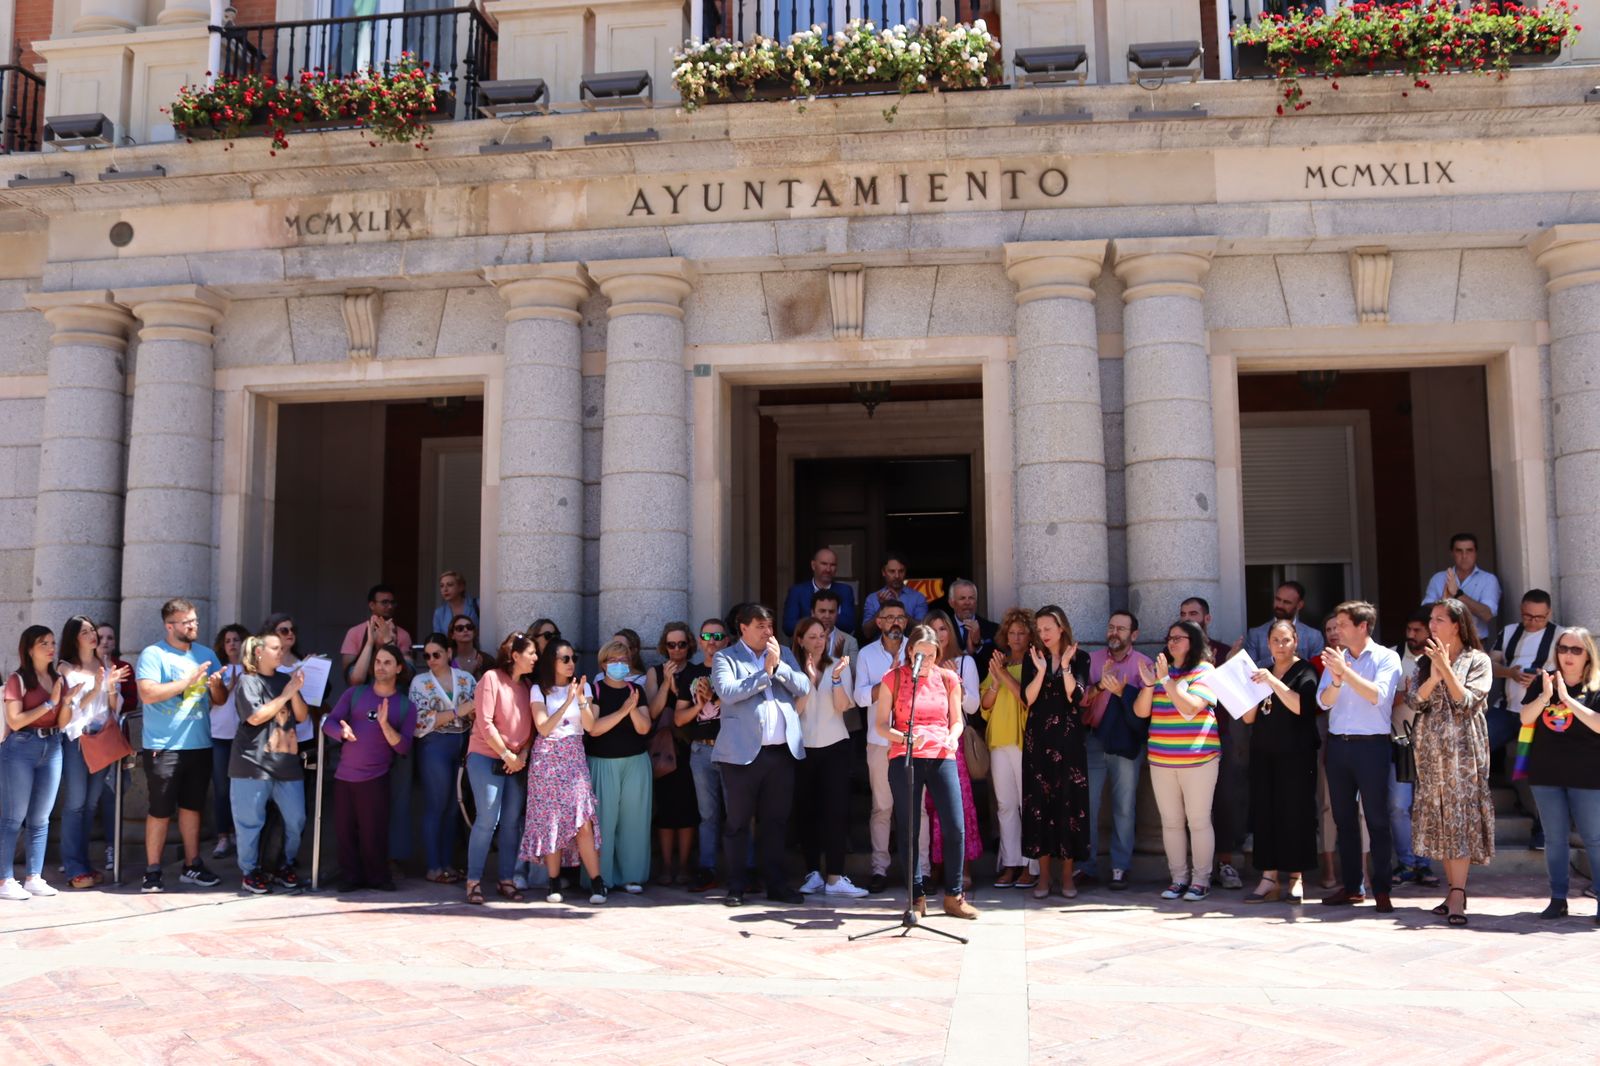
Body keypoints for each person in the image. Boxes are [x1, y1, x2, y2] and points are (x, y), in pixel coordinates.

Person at [875, 624, 977, 920]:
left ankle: (954, 895)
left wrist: (953, 737)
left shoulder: (948, 679)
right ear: (910, 652)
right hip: (906, 756)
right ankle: (916, 897)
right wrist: (903, 738)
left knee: (955, 826)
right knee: (909, 828)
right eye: (921, 654)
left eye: (932, 655)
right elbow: (881, 724)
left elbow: (956, 720)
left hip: (941, 754)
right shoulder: (893, 679)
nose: (927, 660)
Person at [712, 603, 811, 907]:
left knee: (776, 822)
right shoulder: (725, 657)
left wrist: (779, 666)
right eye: (760, 626)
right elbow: (728, 692)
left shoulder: (781, 652)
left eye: (770, 626)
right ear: (743, 628)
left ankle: (776, 884)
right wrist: (764, 674)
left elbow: (804, 685)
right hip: (741, 756)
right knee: (738, 822)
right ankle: (736, 886)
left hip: (781, 754)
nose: (768, 633)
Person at [1408, 598, 1494, 926]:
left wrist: (1447, 670)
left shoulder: (1478, 660)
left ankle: (1458, 893)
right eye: (1431, 619)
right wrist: (1434, 672)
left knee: (1459, 815)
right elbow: (1417, 701)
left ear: (1457, 624)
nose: (1432, 625)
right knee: (1443, 818)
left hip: (1463, 750)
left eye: (1439, 619)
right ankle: (1452, 890)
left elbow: (1466, 702)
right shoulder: (1424, 659)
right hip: (1431, 749)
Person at [136, 599, 227, 893]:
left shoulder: (206, 654)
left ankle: (192, 864)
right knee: (160, 809)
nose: (193, 626)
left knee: (192, 807)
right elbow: (148, 694)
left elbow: (220, 699)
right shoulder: (154, 654)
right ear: (170, 625)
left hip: (199, 744)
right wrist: (186, 682)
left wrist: (214, 685)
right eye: (187, 622)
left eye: (195, 621)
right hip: (164, 746)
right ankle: (152, 871)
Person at [1317, 600, 1403, 912]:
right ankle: (1352, 886)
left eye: (1342, 624)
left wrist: (1344, 673)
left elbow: (1378, 695)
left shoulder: (1386, 657)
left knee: (1377, 820)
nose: (1336, 631)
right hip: (1339, 745)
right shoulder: (1335, 660)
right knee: (1343, 820)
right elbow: (1324, 702)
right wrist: (1337, 678)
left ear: (1362, 626)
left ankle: (1382, 888)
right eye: (1336, 625)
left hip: (1372, 746)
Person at [1134, 620, 1222, 903]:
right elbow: (1140, 711)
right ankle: (1178, 878)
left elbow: (1191, 707)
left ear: (1193, 641)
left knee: (1198, 821)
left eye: (1179, 638)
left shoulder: (1205, 670)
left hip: (1199, 759)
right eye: (1169, 637)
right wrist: (1150, 684)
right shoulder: (1161, 673)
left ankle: (1201, 880)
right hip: (1161, 758)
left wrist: (1167, 682)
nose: (1172, 643)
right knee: (1170, 823)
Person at [1520, 627, 1600, 922]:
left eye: (1575, 650)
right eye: (1563, 649)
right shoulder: (1545, 682)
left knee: (1594, 839)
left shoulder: (1596, 687)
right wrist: (1546, 696)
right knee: (1555, 839)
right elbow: (1526, 718)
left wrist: (1568, 700)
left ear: (1588, 655)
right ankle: (1558, 898)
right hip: (1547, 773)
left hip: (1590, 776)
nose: (1567, 655)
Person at [323, 643, 415, 892]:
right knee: (345, 831)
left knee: (373, 831)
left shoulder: (406, 705)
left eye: (387, 662)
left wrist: (385, 726)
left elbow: (404, 747)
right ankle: (350, 877)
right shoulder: (355, 694)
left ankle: (378, 877)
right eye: (377, 661)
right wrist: (341, 731)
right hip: (344, 776)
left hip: (376, 777)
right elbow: (328, 722)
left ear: (398, 668)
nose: (380, 667)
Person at [1241, 620, 1320, 903]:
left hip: (1297, 756)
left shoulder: (1305, 670)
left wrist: (1273, 682)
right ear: (1268, 643)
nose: (1280, 645)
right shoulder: (1262, 671)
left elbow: (1302, 707)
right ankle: (1268, 877)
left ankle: (1296, 878)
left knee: (1295, 813)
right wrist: (1251, 693)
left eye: (1286, 640)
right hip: (1263, 753)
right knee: (1264, 813)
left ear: (1296, 641)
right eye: (1275, 640)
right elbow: (1249, 717)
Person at [523, 639, 607, 905]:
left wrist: (580, 699)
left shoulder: (585, 687)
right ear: (553, 662)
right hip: (547, 758)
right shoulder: (539, 689)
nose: (571, 664)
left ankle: (597, 883)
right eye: (565, 659)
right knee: (552, 821)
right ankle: (553, 882)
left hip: (574, 754)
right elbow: (543, 728)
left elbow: (591, 727)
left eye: (573, 658)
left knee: (584, 821)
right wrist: (566, 701)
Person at [229, 633, 310, 895]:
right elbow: (255, 718)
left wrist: (294, 688)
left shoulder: (285, 680)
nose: (282, 651)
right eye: (275, 648)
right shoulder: (248, 681)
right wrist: (286, 693)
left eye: (282, 647)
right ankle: (250, 871)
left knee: (296, 819)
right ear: (259, 653)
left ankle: (284, 865)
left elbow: (301, 715)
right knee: (250, 823)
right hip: (252, 764)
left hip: (286, 764)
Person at [1020, 605, 1091, 901]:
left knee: (1069, 806)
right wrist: (1039, 671)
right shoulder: (1032, 657)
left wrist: (1063, 668)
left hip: (1069, 741)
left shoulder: (1080, 657)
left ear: (1061, 627)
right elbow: (1028, 698)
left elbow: (1076, 696)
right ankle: (1044, 878)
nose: (1043, 634)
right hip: (1038, 742)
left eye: (1048, 628)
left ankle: (1066, 877)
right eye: (1039, 629)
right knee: (1039, 807)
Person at [792, 617, 866, 897]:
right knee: (806, 811)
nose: (817, 641)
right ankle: (812, 873)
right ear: (800, 640)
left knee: (836, 811)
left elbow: (843, 706)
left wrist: (834, 679)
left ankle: (835, 877)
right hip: (802, 748)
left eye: (821, 636)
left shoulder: (839, 664)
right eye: (811, 637)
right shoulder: (792, 668)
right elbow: (794, 711)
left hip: (835, 745)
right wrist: (809, 681)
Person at [0, 626, 73, 901]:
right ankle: (5, 878)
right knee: (12, 817)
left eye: (53, 642)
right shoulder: (16, 680)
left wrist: (65, 702)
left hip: (53, 745)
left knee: (41, 818)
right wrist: (50, 703)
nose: (51, 647)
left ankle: (34, 876)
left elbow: (63, 722)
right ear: (30, 649)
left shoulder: (57, 679)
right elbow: (16, 720)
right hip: (21, 747)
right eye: (44, 643)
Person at [1082, 610, 1152, 891]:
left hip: (1125, 745)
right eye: (1111, 627)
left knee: (1124, 807)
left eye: (1121, 629)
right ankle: (1085, 866)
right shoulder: (1093, 660)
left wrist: (1125, 693)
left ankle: (1119, 868)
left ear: (1133, 635)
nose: (1114, 633)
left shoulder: (1143, 664)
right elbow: (1080, 699)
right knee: (1088, 805)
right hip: (1093, 739)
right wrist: (1100, 687)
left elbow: (1147, 713)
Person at [463, 632, 536, 905]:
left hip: (516, 761)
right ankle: (473, 881)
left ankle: (506, 880)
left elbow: (531, 729)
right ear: (515, 656)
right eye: (531, 653)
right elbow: (484, 722)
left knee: (511, 824)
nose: (535, 658)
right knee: (487, 820)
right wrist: (506, 754)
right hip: (485, 757)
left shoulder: (528, 686)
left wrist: (522, 754)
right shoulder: (491, 679)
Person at [57, 616, 128, 889]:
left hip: (101, 739)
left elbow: (114, 705)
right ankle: (73, 866)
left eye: (93, 631)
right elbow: (69, 710)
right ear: (74, 637)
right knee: (75, 804)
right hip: (77, 740)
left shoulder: (105, 664)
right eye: (85, 632)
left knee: (90, 804)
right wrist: (96, 688)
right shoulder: (65, 668)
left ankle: (84, 864)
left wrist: (109, 688)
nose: (92, 635)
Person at [1180, 596, 1244, 890]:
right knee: (1188, 810)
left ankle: (1226, 863)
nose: (1188, 617)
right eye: (1183, 614)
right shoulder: (1173, 654)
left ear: (1207, 618)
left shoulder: (1222, 651)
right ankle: (1192, 869)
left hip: (1219, 737)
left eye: (1194, 613)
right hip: (1181, 742)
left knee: (1225, 802)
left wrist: (1229, 669)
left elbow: (1237, 703)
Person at [1488, 589, 1557, 847]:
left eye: (1539, 618)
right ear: (1520, 611)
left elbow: (1574, 671)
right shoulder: (1509, 632)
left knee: (1537, 767)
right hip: (1506, 711)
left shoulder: (1560, 636)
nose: (1533, 622)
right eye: (1528, 616)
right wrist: (1509, 672)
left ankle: (1542, 829)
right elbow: (1489, 665)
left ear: (1549, 613)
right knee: (1472, 746)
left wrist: (1543, 678)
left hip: (1539, 717)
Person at [408, 632, 476, 884]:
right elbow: (419, 721)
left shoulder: (466, 679)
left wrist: (466, 713)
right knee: (436, 805)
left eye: (436, 654)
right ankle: (433, 866)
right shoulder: (419, 682)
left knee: (453, 808)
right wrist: (459, 711)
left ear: (449, 653)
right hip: (434, 746)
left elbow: (479, 709)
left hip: (462, 744)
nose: (431, 660)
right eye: (426, 656)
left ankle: (448, 863)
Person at [588, 637, 654, 893]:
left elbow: (644, 727)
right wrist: (623, 711)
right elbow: (593, 729)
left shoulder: (637, 692)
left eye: (623, 660)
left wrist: (633, 708)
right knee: (603, 823)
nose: (618, 664)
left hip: (635, 762)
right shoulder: (594, 690)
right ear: (603, 664)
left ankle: (632, 876)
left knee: (634, 821)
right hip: (602, 764)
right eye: (613, 660)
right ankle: (600, 877)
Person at [852, 598, 909, 893]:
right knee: (882, 807)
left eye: (900, 617)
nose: (895, 622)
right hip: (879, 741)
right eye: (889, 618)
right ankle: (879, 870)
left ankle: (919, 870)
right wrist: (889, 681)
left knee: (916, 809)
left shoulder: (918, 650)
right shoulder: (865, 655)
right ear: (879, 623)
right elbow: (860, 697)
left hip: (913, 741)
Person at [923, 609, 981, 892]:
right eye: (933, 630)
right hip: (926, 740)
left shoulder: (964, 662)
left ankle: (964, 866)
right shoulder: (919, 664)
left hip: (952, 741)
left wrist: (953, 680)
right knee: (930, 806)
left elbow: (973, 707)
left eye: (943, 628)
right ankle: (935, 866)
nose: (939, 635)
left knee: (959, 806)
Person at [981, 608, 1037, 888]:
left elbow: (1027, 699)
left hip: (1025, 740)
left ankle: (1031, 866)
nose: (1015, 637)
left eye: (1021, 633)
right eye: (1011, 633)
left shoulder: (1034, 662)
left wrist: (1002, 674)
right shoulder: (997, 662)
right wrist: (994, 679)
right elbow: (985, 706)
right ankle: (1011, 863)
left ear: (1031, 636)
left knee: (1027, 804)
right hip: (999, 740)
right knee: (1005, 806)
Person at [676, 619, 730, 893]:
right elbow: (679, 718)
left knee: (737, 814)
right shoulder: (691, 674)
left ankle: (743, 869)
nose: (712, 640)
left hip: (732, 749)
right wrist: (700, 704)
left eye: (718, 635)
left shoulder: (735, 672)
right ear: (699, 640)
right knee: (707, 814)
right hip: (701, 750)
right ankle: (707, 868)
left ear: (727, 640)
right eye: (707, 635)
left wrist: (716, 698)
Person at [647, 622, 699, 886]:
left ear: (689, 644)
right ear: (664, 647)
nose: (676, 649)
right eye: (671, 645)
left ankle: (684, 866)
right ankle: (666, 867)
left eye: (681, 644)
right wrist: (667, 684)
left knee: (688, 810)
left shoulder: (696, 671)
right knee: (666, 810)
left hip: (690, 747)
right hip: (663, 750)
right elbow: (653, 712)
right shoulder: (655, 672)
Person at [1391, 610, 1439, 888]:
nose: (1411, 636)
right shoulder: (1392, 656)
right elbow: (1381, 700)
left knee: (1426, 806)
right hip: (1398, 742)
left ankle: (1424, 864)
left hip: (1431, 746)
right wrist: (1405, 695)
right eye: (1409, 629)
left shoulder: (1439, 660)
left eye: (1418, 630)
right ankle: (1406, 861)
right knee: (1398, 806)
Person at [93, 622, 137, 871]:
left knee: (112, 795)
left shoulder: (124, 668)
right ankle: (77, 854)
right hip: (88, 740)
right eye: (101, 637)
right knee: (85, 799)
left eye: (110, 637)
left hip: (115, 739)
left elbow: (132, 701)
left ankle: (112, 848)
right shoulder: (86, 667)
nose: (106, 641)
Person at [207, 623, 250, 863]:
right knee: (221, 788)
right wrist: (226, 687)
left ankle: (240, 833)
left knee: (242, 789)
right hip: (219, 736)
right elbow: (210, 703)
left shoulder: (252, 669)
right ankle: (223, 835)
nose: (232, 644)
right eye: (228, 640)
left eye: (236, 639)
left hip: (243, 736)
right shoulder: (217, 669)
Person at [1421, 532, 1501, 642]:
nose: (1464, 556)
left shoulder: (1488, 579)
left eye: (1469, 550)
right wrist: (1444, 601)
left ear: (1476, 553)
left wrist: (1458, 594)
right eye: (1459, 551)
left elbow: (1487, 615)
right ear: (1452, 553)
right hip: (1442, 642)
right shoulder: (1438, 578)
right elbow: (1424, 612)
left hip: (1475, 642)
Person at [341, 584, 415, 686]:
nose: (390, 606)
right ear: (372, 605)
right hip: (362, 696)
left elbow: (407, 676)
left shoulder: (403, 635)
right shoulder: (354, 632)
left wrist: (389, 641)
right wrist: (371, 643)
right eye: (385, 602)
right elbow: (351, 680)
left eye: (392, 603)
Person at [1239, 581, 1326, 665]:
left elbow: (1317, 670)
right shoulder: (1256, 634)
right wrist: (1274, 659)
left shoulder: (1314, 636)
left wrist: (1296, 660)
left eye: (1287, 602)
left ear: (1299, 605)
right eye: (1278, 599)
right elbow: (1250, 670)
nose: (1280, 605)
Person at [782, 546, 858, 635]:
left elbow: (848, 625)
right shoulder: (797, 591)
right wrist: (827, 619)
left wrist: (815, 617)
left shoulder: (845, 591)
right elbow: (788, 626)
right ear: (813, 565)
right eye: (824, 564)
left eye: (832, 565)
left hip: (837, 645)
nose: (828, 569)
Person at [861, 552, 929, 636]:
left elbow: (923, 631)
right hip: (879, 648)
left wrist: (898, 606)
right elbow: (867, 633)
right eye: (892, 571)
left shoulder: (918, 598)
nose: (897, 576)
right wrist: (882, 607)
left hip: (910, 647)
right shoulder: (872, 598)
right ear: (883, 572)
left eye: (901, 571)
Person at [946, 579, 999, 674]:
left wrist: (978, 644)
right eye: (962, 598)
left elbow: (998, 663)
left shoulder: (993, 628)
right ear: (951, 603)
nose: (967, 602)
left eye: (971, 598)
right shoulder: (943, 628)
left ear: (976, 602)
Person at [810, 588, 859, 664]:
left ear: (837, 613)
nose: (827, 616)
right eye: (822, 611)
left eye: (831, 612)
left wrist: (839, 658)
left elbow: (853, 674)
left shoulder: (850, 642)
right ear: (813, 613)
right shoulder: (804, 638)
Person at [430, 569, 480, 638]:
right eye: (442, 586)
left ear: (461, 587)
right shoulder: (439, 613)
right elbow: (438, 640)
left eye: (450, 585)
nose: (445, 589)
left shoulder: (477, 605)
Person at [448, 614, 489, 679]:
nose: (465, 630)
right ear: (452, 635)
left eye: (469, 627)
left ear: (474, 632)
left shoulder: (486, 660)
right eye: (460, 628)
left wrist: (478, 670)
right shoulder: (447, 659)